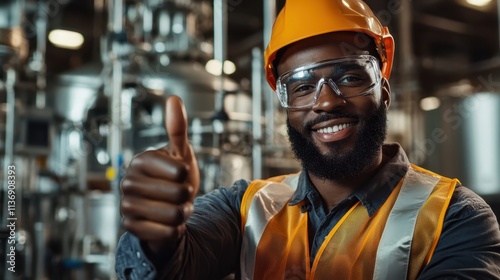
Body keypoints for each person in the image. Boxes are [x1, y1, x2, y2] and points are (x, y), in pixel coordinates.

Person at [114, 0, 500, 279]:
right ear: (284, 103)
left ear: (383, 89)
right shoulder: (244, 208)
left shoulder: (454, 218)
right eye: (300, 87)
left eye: (349, 77)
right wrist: (156, 241)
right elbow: (180, 264)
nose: (326, 102)